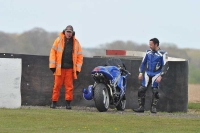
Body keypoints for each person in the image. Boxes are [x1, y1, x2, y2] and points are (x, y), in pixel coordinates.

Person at [49, 25, 83, 109]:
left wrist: (77, 70)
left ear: (72, 33)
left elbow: (80, 57)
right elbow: (52, 53)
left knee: (69, 87)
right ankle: (54, 103)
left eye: (70, 32)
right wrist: (52, 66)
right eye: (67, 32)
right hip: (59, 68)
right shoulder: (58, 40)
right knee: (56, 86)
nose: (68, 34)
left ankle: (68, 104)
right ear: (64, 32)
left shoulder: (76, 43)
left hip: (70, 69)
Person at [133, 38, 169, 113]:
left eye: (151, 45)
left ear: (156, 44)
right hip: (147, 73)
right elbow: (143, 63)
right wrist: (140, 72)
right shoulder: (148, 52)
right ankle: (141, 107)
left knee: (155, 91)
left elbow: (165, 66)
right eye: (149, 44)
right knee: (141, 90)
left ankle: (153, 108)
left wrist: (161, 75)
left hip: (156, 74)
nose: (150, 46)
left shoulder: (163, 53)